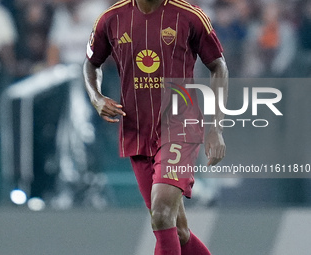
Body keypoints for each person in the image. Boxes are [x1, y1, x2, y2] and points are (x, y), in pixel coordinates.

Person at [83, 0, 228, 254]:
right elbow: (91, 63)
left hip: (179, 127)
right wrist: (96, 96)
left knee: (161, 214)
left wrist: (216, 128)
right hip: (136, 132)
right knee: (178, 232)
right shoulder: (111, 19)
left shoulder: (189, 16)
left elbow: (218, 66)